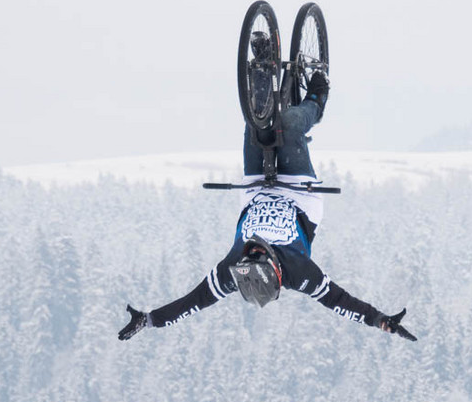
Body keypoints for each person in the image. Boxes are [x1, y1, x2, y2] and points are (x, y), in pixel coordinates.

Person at [117, 70, 416, 342]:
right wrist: (379, 320)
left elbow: (192, 302)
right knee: (288, 125)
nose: (255, 248)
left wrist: (149, 320)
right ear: (275, 267)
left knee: (254, 124)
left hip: (257, 189)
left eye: (250, 254)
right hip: (300, 194)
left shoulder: (231, 272)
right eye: (260, 254)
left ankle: (262, 68)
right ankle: (316, 99)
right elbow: (339, 301)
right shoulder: (300, 273)